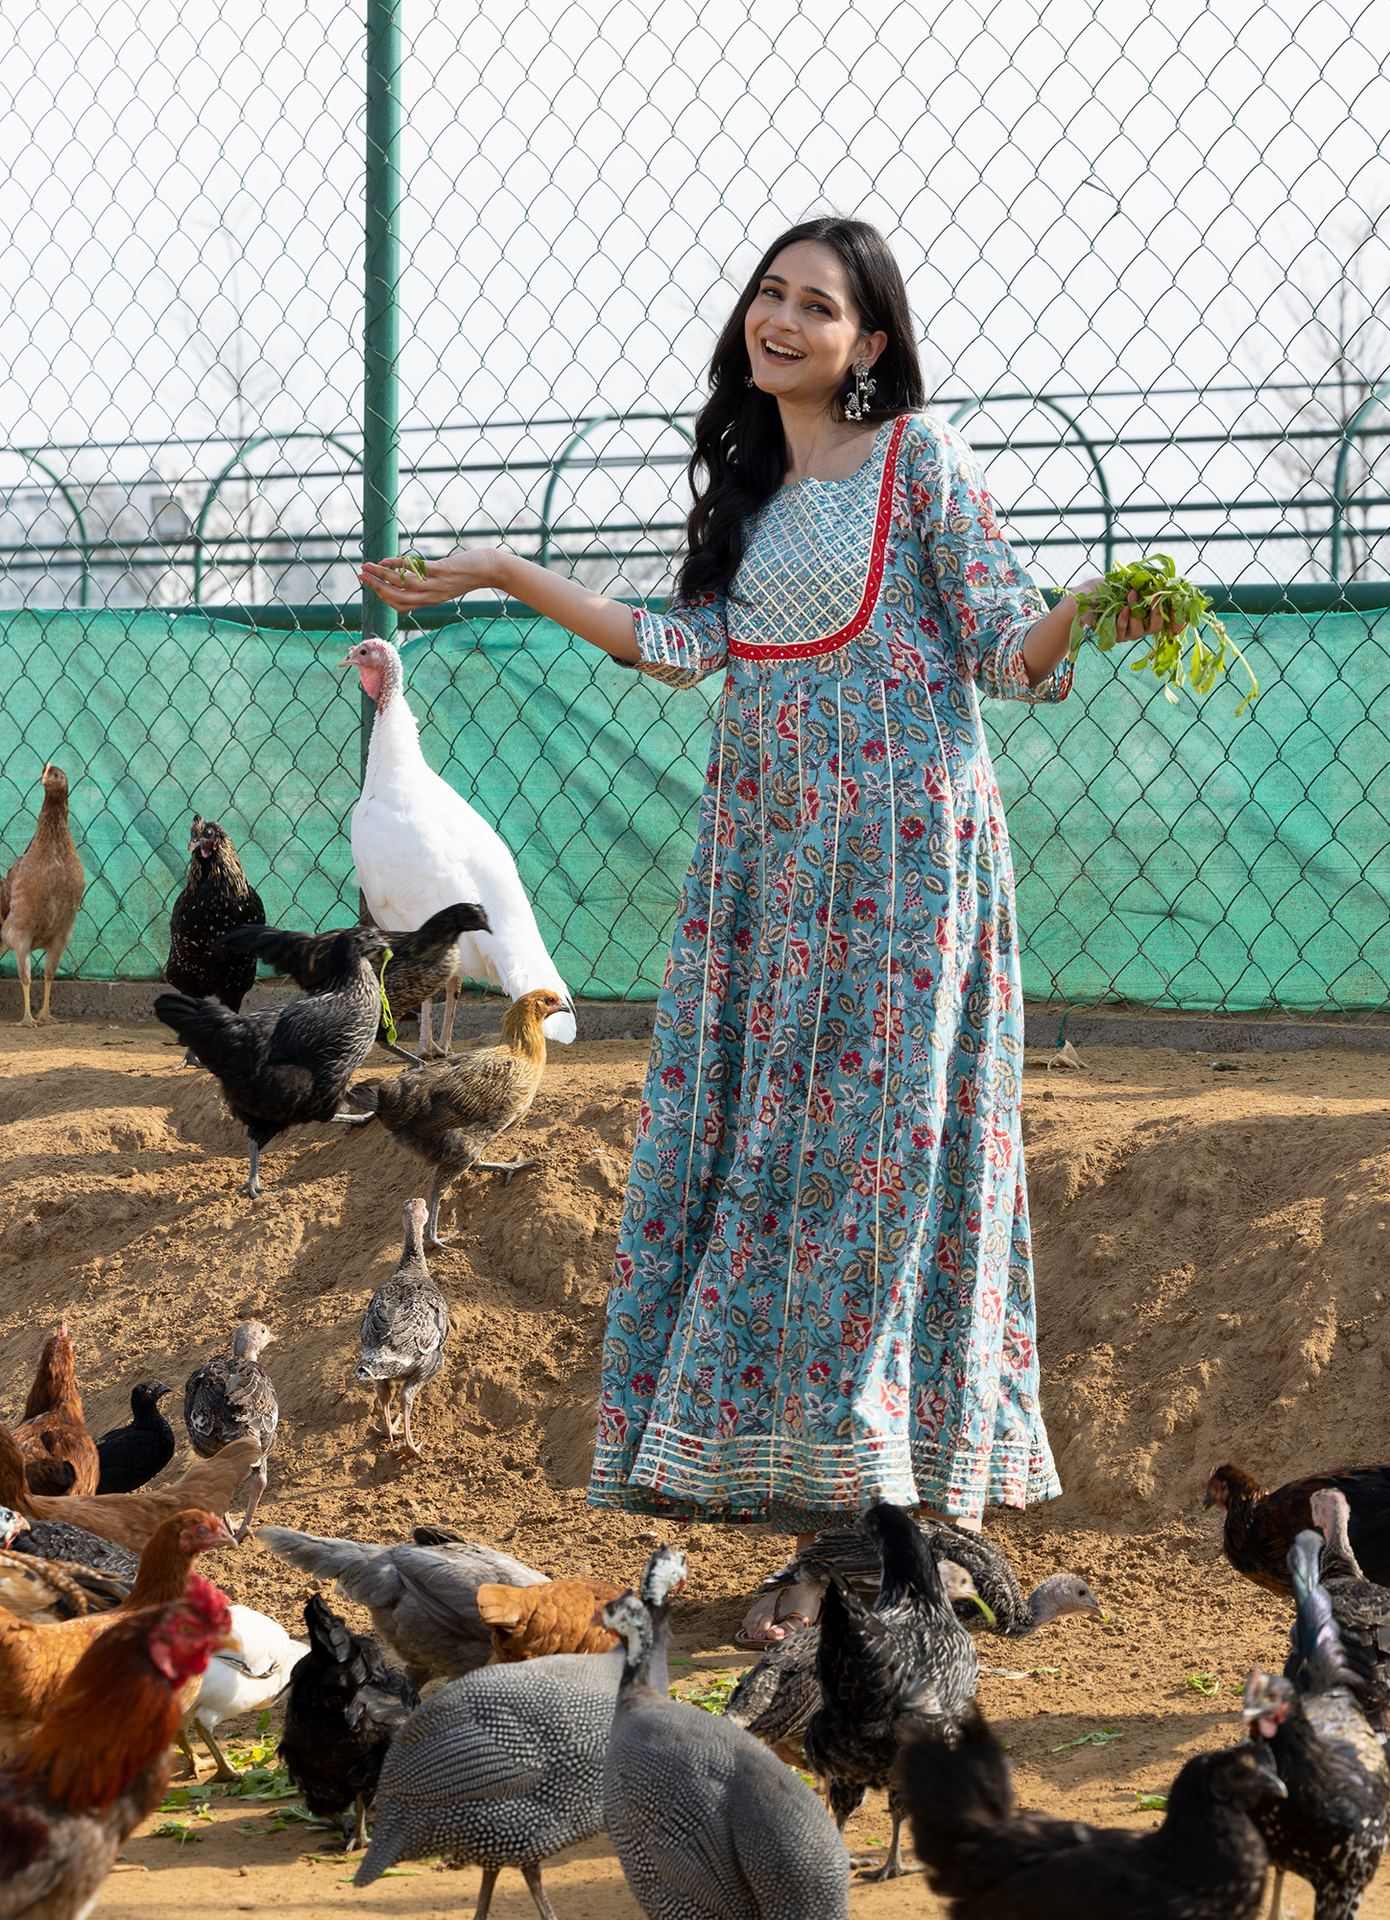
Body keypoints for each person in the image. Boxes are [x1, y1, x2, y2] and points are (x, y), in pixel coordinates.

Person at [362, 216, 1173, 1643]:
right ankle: (820, 1501)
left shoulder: (919, 460)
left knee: (881, 1169)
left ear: (870, 343)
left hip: (906, 879)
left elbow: (1005, 647)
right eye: (769, 293)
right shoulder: (746, 494)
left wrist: (1102, 603)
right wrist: (498, 569)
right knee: (775, 1172)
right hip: (766, 886)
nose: (782, 318)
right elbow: (679, 647)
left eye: (819, 303)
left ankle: (888, 1511)